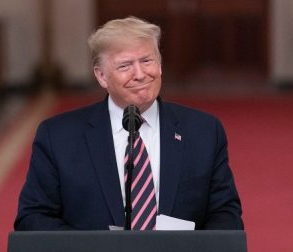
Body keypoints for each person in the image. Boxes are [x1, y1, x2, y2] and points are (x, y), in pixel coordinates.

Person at [14, 16, 243, 231]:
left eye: (147, 60)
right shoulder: (58, 137)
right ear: (101, 76)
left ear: (160, 65)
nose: (140, 74)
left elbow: (226, 215)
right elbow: (33, 218)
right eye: (125, 66)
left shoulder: (203, 131)